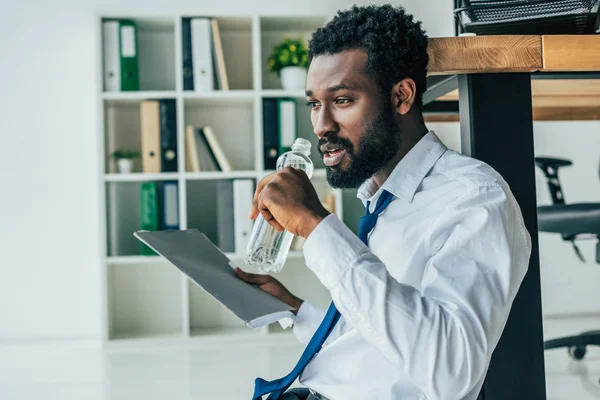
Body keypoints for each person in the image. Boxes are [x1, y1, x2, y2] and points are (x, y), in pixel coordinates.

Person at [235, 4, 531, 400]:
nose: (321, 124)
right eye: (313, 104)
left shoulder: (471, 199)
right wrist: (294, 309)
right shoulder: (382, 200)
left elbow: (450, 371)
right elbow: (384, 341)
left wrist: (316, 225)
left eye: (341, 100)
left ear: (401, 96)